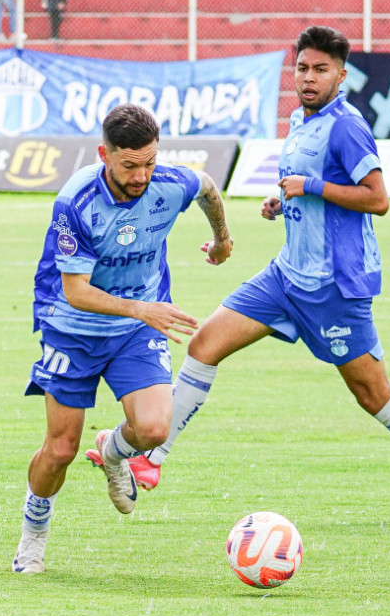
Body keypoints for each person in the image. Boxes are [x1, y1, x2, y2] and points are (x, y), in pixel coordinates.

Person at [87, 25, 390, 520]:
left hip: (334, 284)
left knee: (372, 393)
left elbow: (377, 199)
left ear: (341, 74)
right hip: (286, 276)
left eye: (320, 70)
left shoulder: (347, 126)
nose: (309, 78)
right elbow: (310, 191)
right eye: (302, 68)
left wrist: (311, 186)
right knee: (205, 344)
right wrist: (285, 201)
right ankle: (151, 459)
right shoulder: (300, 119)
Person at [13, 103, 233, 574]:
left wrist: (222, 239)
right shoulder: (76, 203)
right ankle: (33, 533)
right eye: (130, 165)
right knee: (60, 449)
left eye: (150, 162)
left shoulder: (170, 182)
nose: (142, 176)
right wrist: (141, 307)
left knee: (154, 429)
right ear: (104, 155)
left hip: (136, 329)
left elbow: (209, 189)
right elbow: (75, 291)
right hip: (72, 328)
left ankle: (113, 450)